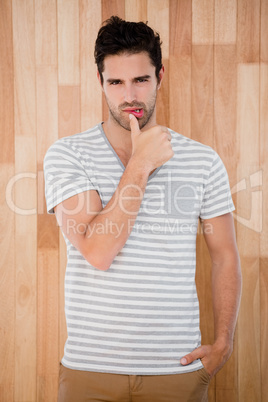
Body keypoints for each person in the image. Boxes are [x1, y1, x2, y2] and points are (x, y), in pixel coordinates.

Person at [44, 16, 242, 402]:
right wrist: (141, 164)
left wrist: (223, 344)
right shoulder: (68, 155)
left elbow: (225, 256)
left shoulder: (203, 161)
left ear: (160, 76)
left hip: (176, 371)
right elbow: (99, 252)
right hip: (90, 371)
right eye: (116, 82)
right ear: (100, 82)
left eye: (141, 80)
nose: (129, 95)